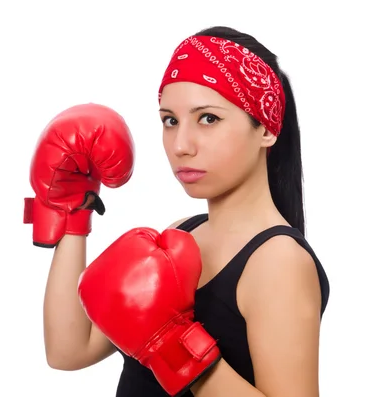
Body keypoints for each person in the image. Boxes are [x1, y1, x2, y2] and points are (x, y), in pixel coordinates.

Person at [30, 25, 330, 397]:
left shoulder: (279, 262)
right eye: (170, 120)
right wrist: (73, 210)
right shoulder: (180, 234)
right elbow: (67, 351)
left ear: (267, 127)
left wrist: (172, 345)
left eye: (208, 118)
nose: (181, 145)